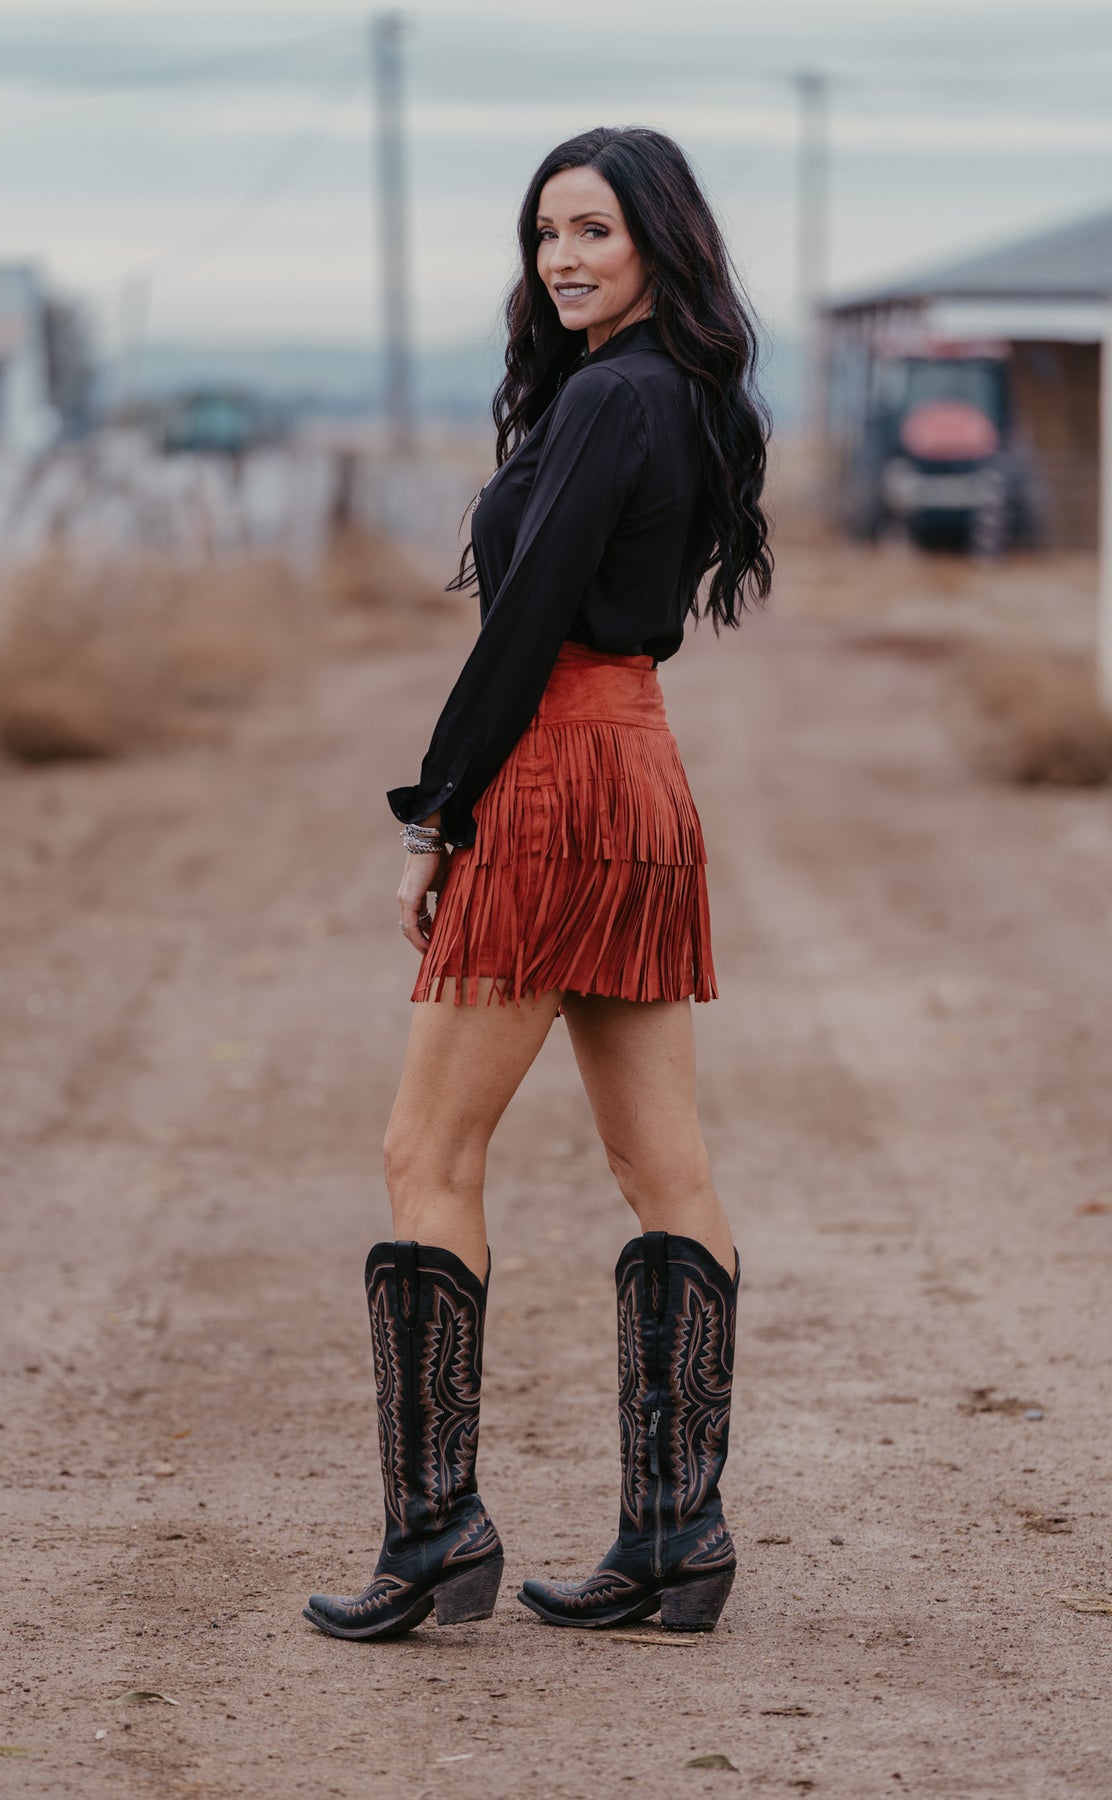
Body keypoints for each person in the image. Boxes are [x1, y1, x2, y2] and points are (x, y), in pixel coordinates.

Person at [303, 125, 772, 1641]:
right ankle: (675, 1539)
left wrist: (437, 814)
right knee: (664, 1167)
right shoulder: (677, 392)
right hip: (641, 775)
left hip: (559, 781)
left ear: (659, 243)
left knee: (424, 1153)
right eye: (546, 233)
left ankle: (434, 1536)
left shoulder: (611, 397)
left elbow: (526, 629)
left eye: (594, 231)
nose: (563, 258)